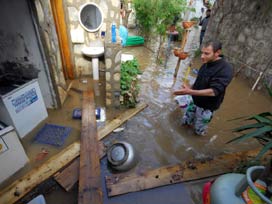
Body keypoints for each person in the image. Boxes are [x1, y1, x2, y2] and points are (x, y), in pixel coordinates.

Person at [173, 40, 233, 136]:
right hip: (194, 101)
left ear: (217, 53)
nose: (202, 56)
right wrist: (189, 89)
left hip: (206, 107)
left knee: (198, 131)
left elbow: (214, 91)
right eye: (202, 52)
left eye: (206, 53)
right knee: (185, 122)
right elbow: (199, 81)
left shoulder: (226, 69)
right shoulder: (206, 64)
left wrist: (189, 91)